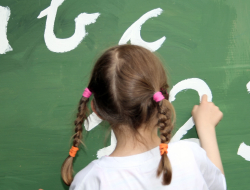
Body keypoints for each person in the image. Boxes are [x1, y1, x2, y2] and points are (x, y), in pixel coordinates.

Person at [61, 44, 226, 190]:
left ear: (96, 109)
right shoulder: (189, 157)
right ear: (163, 98)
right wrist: (206, 128)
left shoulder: (91, 181)